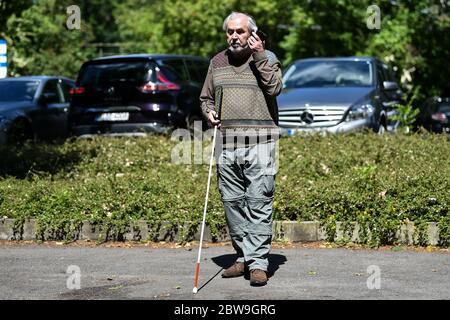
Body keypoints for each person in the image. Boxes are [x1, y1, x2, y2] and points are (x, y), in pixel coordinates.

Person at [200, 12, 283, 286]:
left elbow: (274, 88)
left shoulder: (267, 58)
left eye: (240, 32)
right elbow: (206, 98)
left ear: (253, 34)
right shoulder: (217, 62)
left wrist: (259, 56)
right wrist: (209, 112)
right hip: (226, 144)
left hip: (261, 143)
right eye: (230, 32)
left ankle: (258, 264)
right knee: (232, 203)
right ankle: (244, 256)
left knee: (259, 202)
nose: (234, 36)